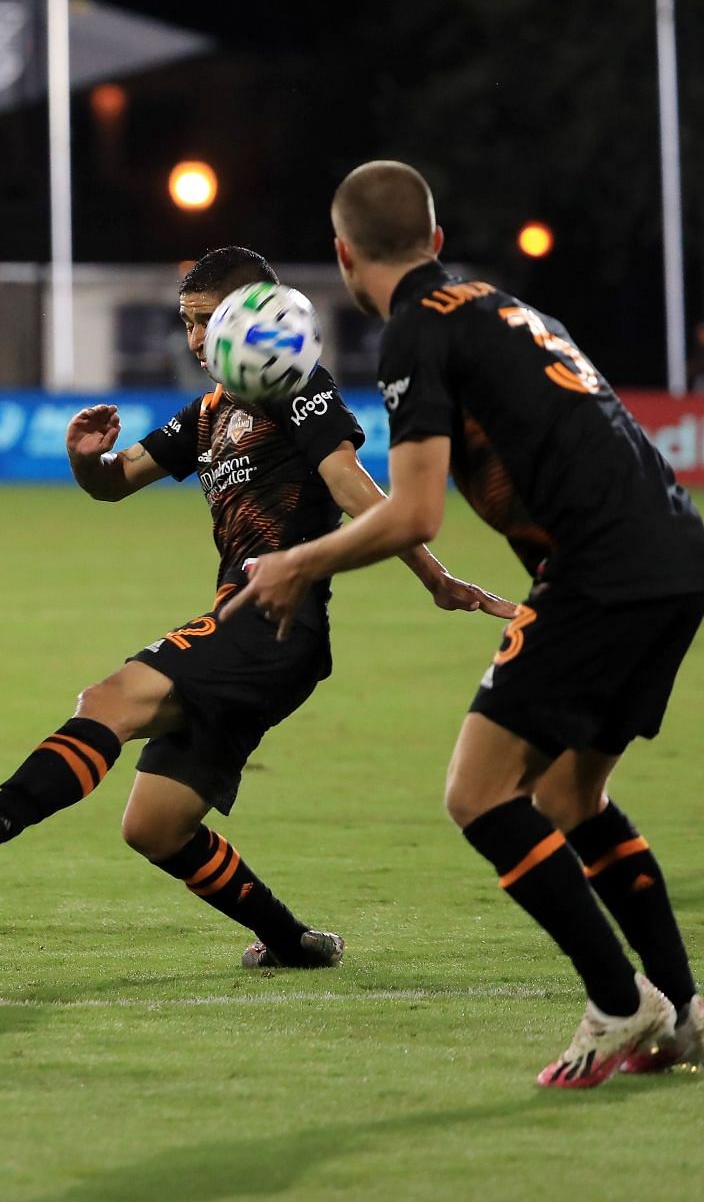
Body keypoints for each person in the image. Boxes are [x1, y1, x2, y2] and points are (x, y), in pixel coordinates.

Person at [0, 246, 511, 971]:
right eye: (186, 323)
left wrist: (433, 575)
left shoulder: (296, 386)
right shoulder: (209, 413)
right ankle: (293, 944)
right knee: (156, 826)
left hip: (274, 622)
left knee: (110, 698)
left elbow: (350, 484)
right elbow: (116, 484)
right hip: (249, 632)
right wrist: (86, 458)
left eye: (208, 321)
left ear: (256, 320)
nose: (193, 340)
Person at [229, 161, 704, 1087]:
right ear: (436, 241)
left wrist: (297, 560)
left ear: (343, 254)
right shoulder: (503, 305)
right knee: (571, 800)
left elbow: (414, 513)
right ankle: (681, 1014)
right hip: (676, 555)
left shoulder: (413, 333)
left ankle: (620, 1001)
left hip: (600, 573)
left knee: (479, 795)